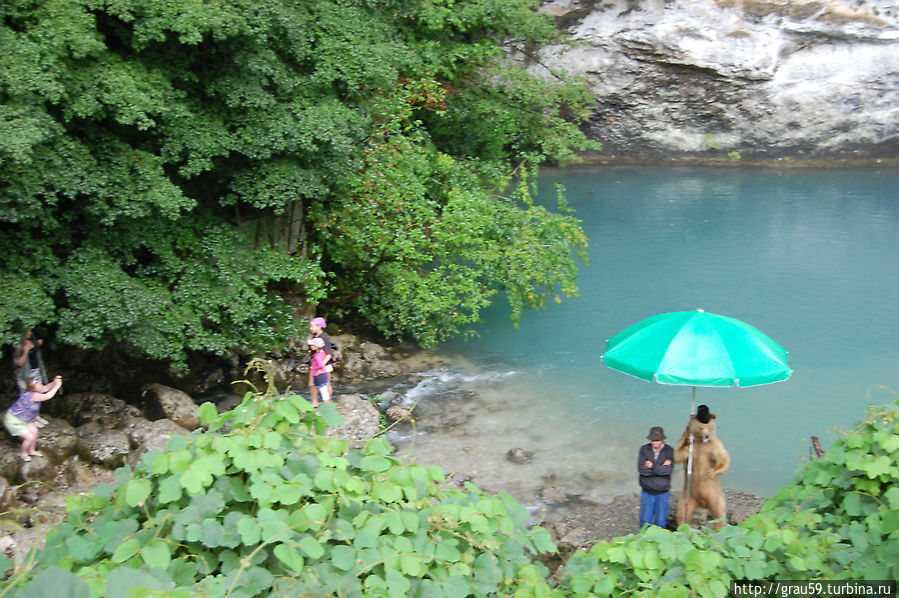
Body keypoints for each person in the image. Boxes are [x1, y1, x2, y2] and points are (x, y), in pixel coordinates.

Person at [4, 373, 62, 462]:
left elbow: (46, 388)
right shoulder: (32, 395)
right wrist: (57, 387)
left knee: (34, 431)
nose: (41, 384)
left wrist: (55, 381)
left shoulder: (36, 390)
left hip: (24, 419)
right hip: (13, 420)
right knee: (29, 437)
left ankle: (31, 450)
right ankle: (23, 454)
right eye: (38, 383)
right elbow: (47, 396)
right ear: (32, 387)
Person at [638, 425, 674, 529]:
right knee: (645, 521)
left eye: (657, 440)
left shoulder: (669, 451)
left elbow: (668, 471)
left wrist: (652, 466)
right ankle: (644, 541)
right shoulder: (644, 449)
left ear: (663, 440)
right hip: (647, 491)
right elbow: (641, 470)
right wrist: (660, 468)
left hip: (663, 492)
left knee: (661, 521)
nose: (654, 443)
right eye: (652, 440)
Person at [12, 328, 49, 428]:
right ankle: (29, 419)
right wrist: (26, 351)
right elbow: (19, 363)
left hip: (35, 372)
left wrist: (37, 345)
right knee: (28, 397)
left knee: (39, 394)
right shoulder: (19, 345)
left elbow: (36, 357)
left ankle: (36, 416)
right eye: (27, 331)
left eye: (30, 331)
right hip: (25, 375)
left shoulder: (31, 341)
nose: (29, 333)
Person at [307, 317, 335, 403]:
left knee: (326, 384)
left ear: (319, 326)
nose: (310, 328)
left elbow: (329, 354)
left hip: (324, 365)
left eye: (312, 326)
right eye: (310, 326)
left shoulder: (324, 337)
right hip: (315, 364)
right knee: (312, 384)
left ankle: (327, 403)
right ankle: (314, 402)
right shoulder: (314, 336)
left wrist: (321, 365)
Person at [307, 337, 332, 410]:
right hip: (322, 375)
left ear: (317, 347)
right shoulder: (323, 352)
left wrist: (317, 369)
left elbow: (321, 365)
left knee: (323, 391)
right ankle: (326, 406)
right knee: (324, 391)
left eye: (312, 345)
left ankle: (326, 407)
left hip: (319, 376)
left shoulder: (316, 356)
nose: (311, 346)